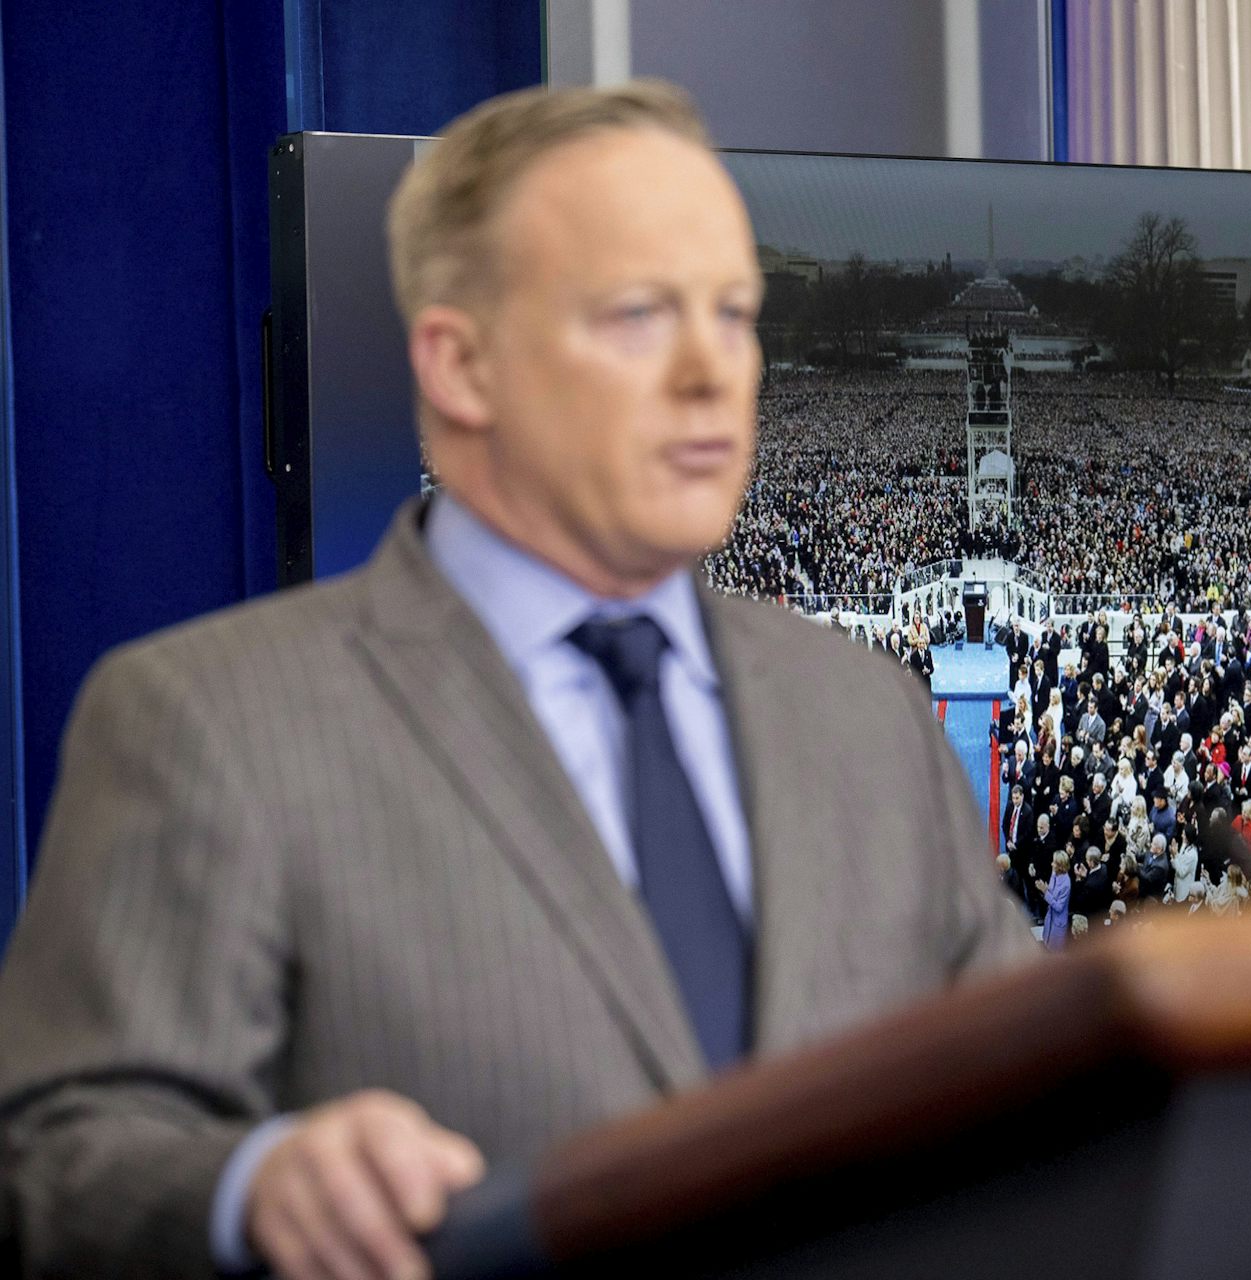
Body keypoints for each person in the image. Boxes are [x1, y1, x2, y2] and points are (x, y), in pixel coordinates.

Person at [0, 82, 1036, 1278]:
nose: (714, 371)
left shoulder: (863, 709)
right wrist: (254, 1184)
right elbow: (54, 1158)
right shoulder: (207, 720)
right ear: (460, 364)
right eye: (640, 314)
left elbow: (1046, 1086)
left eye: (737, 313)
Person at [1040, 850, 1073, 951]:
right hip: (1050, 916)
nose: (1052, 864)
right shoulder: (1054, 873)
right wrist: (1045, 889)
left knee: (1055, 952)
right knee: (1046, 945)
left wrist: (1046, 892)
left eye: (1054, 862)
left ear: (1060, 866)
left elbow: (1059, 907)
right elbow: (1051, 889)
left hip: (1058, 920)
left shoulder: (1066, 883)